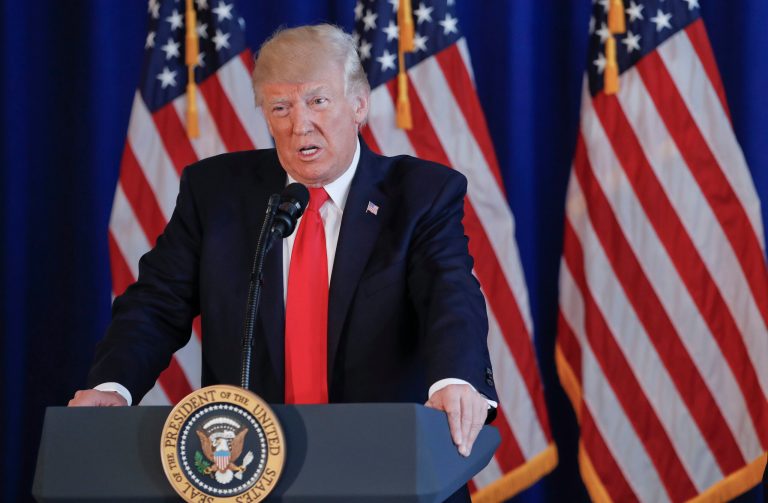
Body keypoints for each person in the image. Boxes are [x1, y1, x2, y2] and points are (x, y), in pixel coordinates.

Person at [70, 24, 497, 466]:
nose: (299, 125)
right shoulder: (215, 193)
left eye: (318, 101)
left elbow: (450, 294)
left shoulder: (421, 194)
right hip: (247, 464)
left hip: (385, 460)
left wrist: (454, 378)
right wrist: (112, 386)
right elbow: (157, 304)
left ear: (359, 104)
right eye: (280, 107)